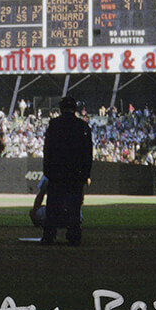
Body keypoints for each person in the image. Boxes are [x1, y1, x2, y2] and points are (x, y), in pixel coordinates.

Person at [41, 95, 93, 246]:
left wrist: (48, 171)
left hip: (57, 174)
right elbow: (88, 153)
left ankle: (49, 235)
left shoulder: (54, 124)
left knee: (53, 206)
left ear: (61, 108)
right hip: (75, 175)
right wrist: (86, 174)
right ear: (75, 109)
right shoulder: (83, 126)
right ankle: (74, 235)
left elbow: (47, 150)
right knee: (74, 206)